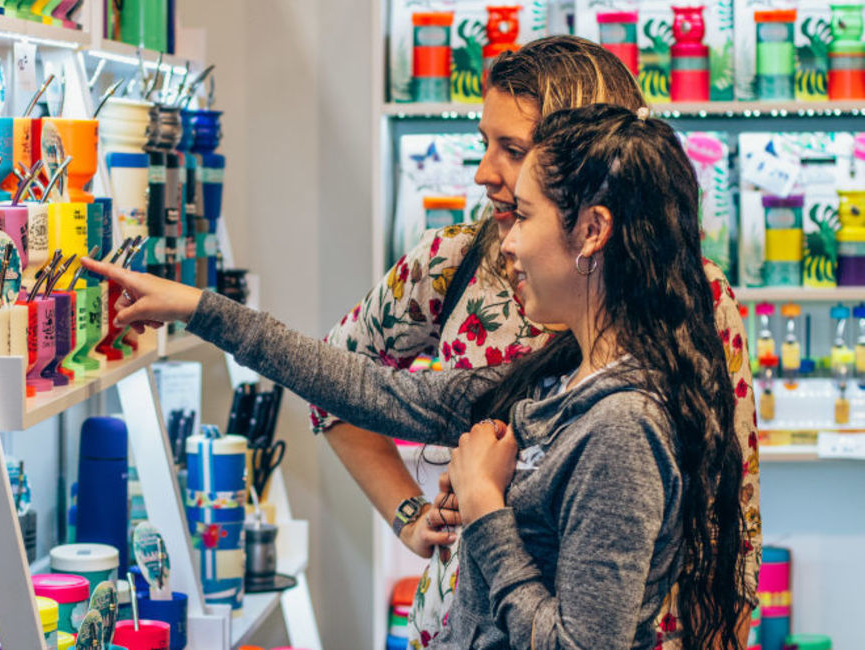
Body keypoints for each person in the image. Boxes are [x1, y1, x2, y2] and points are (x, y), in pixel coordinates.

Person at [81, 103, 749, 648]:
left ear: (592, 232)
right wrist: (198, 308)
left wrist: (484, 505)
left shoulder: (623, 429)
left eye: (524, 215)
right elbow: (367, 387)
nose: (507, 240)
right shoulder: (555, 379)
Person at [308, 36, 760, 649]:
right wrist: (409, 515)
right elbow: (335, 382)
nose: (484, 172)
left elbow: (731, 510)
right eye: (483, 143)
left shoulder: (695, 298)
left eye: (512, 149)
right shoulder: (452, 261)